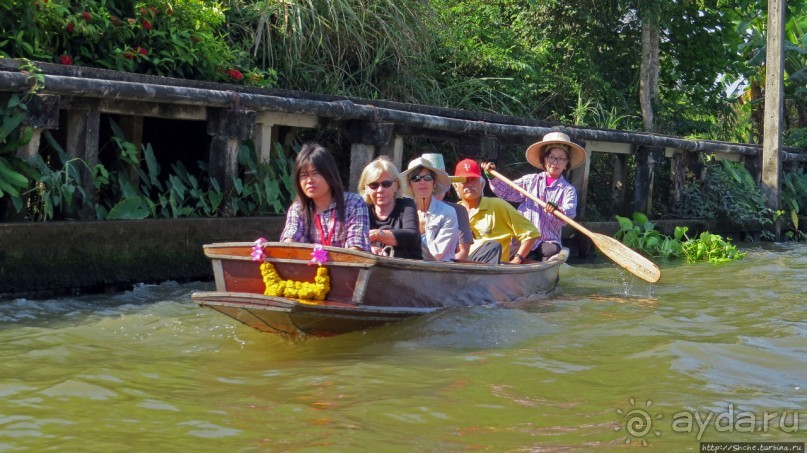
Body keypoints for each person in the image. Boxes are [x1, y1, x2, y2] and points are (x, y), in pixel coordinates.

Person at [481, 131, 589, 261]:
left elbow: (569, 214)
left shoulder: (568, 190)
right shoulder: (530, 181)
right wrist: (492, 177)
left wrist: (557, 210)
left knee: (551, 251)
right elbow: (507, 191)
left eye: (561, 159)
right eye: (551, 157)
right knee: (504, 251)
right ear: (544, 159)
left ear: (566, 163)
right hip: (523, 236)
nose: (555, 162)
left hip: (547, 241)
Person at [280, 143, 370, 251]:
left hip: (345, 262)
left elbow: (357, 248)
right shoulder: (298, 208)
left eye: (315, 173)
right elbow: (290, 241)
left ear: (330, 174)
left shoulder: (354, 203)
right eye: (303, 175)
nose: (309, 180)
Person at [453, 158, 540, 264]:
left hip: (492, 268)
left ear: (482, 184)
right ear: (455, 186)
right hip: (459, 266)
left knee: (492, 246)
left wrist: (518, 258)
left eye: (473, 180)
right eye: (464, 181)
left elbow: (531, 233)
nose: (469, 184)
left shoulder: (498, 205)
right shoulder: (453, 211)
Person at [358, 157, 422, 259]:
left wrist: (378, 234)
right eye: (373, 185)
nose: (380, 190)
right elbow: (353, 239)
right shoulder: (362, 208)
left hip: (407, 267)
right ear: (366, 189)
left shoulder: (407, 205)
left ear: (396, 186)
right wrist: (369, 248)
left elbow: (412, 236)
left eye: (386, 184)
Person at [400, 156, 459, 262]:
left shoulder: (448, 212)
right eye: (416, 178)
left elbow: (437, 254)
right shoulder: (402, 211)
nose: (422, 182)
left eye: (427, 177)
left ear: (434, 182)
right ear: (410, 184)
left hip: (440, 269)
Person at [420, 153, 473, 261]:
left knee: (492, 247)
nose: (436, 190)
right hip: (412, 262)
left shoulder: (457, 211)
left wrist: (446, 264)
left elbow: (463, 251)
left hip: (447, 265)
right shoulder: (408, 209)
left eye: (441, 185)